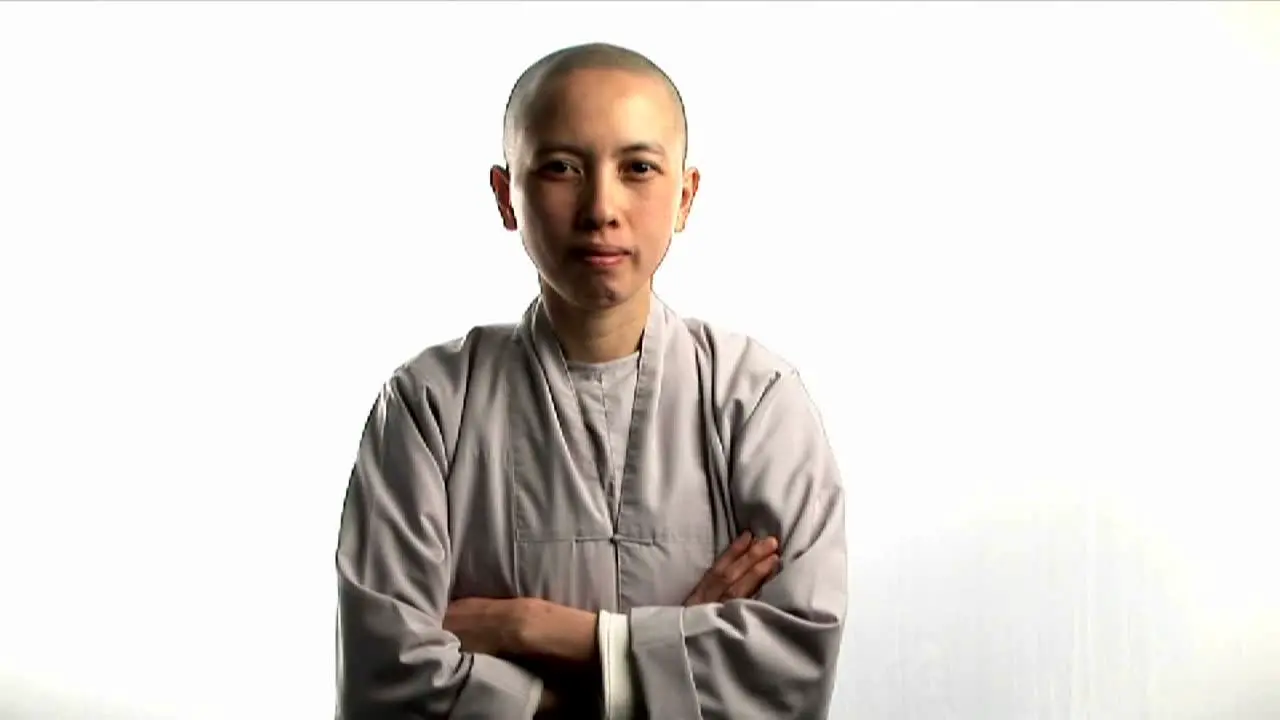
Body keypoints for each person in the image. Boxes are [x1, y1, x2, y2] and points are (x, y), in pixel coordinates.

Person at [334, 41, 848, 719]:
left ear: (685, 196)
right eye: (560, 168)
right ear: (505, 195)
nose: (601, 206)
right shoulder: (428, 406)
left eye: (638, 167)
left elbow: (789, 667)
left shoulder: (756, 401)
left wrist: (530, 630)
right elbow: (386, 680)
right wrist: (665, 658)